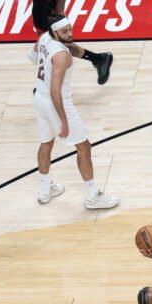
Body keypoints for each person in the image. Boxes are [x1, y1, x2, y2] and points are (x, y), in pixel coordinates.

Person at [33, 15, 119, 209]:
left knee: (46, 143)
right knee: (84, 147)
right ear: (55, 32)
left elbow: (33, 56)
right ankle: (92, 197)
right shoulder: (62, 55)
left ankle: (45, 191)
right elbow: (55, 91)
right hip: (57, 103)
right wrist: (63, 121)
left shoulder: (44, 38)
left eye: (70, 29)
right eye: (65, 32)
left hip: (39, 98)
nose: (70, 33)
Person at [32, 0, 113, 85]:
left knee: (56, 44)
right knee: (44, 41)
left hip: (50, 6)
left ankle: (99, 59)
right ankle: (99, 59)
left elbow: (60, 8)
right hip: (38, 6)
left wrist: (60, 11)